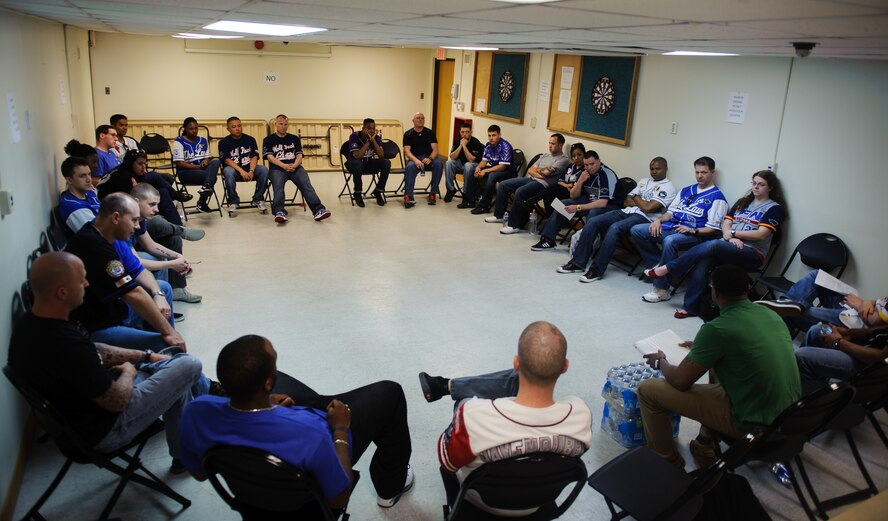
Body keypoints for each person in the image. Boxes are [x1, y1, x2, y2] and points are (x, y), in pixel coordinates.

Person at [8, 252, 208, 473]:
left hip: (87, 412)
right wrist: (128, 372)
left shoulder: (34, 324)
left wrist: (146, 356)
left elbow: (96, 350)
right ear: (62, 292)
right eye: (81, 280)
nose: (86, 284)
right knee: (189, 364)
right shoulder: (65, 344)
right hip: (108, 427)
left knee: (171, 369)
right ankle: (191, 443)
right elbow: (116, 401)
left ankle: (183, 456)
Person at [179, 334, 415, 510]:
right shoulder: (309, 435)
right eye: (275, 362)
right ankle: (390, 488)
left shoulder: (196, 412)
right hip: (326, 439)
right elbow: (339, 499)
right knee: (390, 393)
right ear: (266, 385)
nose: (276, 369)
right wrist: (341, 429)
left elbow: (200, 473)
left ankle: (322, 402)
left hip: (256, 497)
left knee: (311, 396)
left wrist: (266, 404)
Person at [637, 264, 801, 469]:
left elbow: (680, 381)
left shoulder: (717, 328)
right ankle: (705, 442)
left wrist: (661, 361)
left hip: (754, 424)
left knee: (647, 390)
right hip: (789, 417)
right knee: (716, 365)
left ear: (714, 292)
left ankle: (667, 462)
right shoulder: (769, 314)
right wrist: (703, 348)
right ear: (746, 289)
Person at [429, 321, 592, 515]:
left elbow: (448, 462)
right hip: (539, 503)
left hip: (482, 503)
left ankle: (446, 386)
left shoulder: (474, 416)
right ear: (565, 367)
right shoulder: (581, 416)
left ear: (516, 364)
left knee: (460, 409)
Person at [646, 170, 786, 318]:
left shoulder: (774, 208)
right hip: (729, 245)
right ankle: (689, 307)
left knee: (713, 244)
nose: (756, 187)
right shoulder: (743, 202)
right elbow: (726, 224)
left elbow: (761, 234)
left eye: (761, 185)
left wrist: (733, 234)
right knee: (703, 261)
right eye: (754, 183)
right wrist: (729, 236)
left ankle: (669, 267)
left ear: (770, 188)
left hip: (752, 253)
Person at [65, 193, 186, 351]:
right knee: (170, 344)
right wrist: (169, 332)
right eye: (134, 220)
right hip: (99, 326)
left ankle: (159, 356)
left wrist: (158, 294)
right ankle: (164, 356)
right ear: (116, 218)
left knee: (163, 288)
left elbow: (139, 270)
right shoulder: (94, 245)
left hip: (114, 309)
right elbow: (132, 293)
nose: (137, 226)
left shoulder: (111, 237)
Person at [556, 156, 676, 284]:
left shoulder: (668, 188)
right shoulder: (644, 181)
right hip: (626, 211)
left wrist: (636, 198)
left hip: (644, 218)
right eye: (652, 168)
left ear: (666, 169)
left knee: (615, 228)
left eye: (658, 169)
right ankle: (577, 263)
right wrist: (640, 202)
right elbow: (626, 201)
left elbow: (649, 208)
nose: (654, 171)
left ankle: (596, 270)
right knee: (594, 221)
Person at [629, 156, 728, 303]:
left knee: (670, 241)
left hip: (695, 235)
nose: (700, 176)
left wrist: (693, 230)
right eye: (697, 172)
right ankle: (659, 264)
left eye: (704, 172)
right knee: (637, 230)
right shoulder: (686, 190)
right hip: (672, 227)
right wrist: (658, 220)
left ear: (712, 173)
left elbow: (712, 230)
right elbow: (670, 213)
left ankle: (661, 289)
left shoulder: (717, 198)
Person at [531, 150, 620, 251]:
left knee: (593, 212)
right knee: (564, 204)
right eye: (586, 165)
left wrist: (578, 207)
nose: (589, 167)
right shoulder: (585, 173)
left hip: (609, 206)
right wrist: (580, 181)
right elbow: (573, 196)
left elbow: (603, 202)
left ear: (599, 161)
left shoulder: (607, 174)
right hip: (590, 200)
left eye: (592, 164)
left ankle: (585, 247)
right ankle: (548, 240)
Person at [130, 183, 202, 304]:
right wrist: (171, 264)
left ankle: (170, 295)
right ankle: (161, 303)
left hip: (128, 259)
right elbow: (134, 262)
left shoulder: (139, 219)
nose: (157, 209)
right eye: (152, 204)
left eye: (157, 204)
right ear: (136, 202)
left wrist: (177, 256)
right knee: (161, 260)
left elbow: (150, 245)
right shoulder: (125, 221)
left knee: (173, 241)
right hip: (114, 266)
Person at [756, 270, 888, 333]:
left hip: (856, 324)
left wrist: (860, 304)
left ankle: (787, 305)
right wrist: (868, 302)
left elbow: (875, 321)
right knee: (816, 276)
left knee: (794, 313)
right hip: (857, 310)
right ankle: (788, 304)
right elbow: (879, 303)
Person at [490, 133, 569, 234]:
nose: (550, 146)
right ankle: (498, 215)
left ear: (561, 145)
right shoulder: (544, 156)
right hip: (532, 179)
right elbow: (531, 170)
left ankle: (514, 225)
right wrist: (541, 174)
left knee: (520, 192)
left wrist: (540, 172)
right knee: (504, 184)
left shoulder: (563, 159)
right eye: (549, 143)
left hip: (543, 185)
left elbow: (547, 172)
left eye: (553, 144)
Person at [262, 114, 331, 223]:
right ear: (276, 124)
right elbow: (270, 157)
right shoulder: (268, 139)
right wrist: (284, 166)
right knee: (278, 186)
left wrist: (295, 165)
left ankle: (318, 210)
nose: (283, 126)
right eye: (281, 124)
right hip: (277, 168)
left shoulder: (294, 138)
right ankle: (279, 212)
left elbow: (299, 155)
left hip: (295, 167)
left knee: (306, 184)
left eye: (285, 124)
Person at [98, 149, 188, 226]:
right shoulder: (124, 176)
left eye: (145, 163)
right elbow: (133, 200)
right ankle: (177, 221)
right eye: (140, 164)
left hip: (124, 199)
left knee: (163, 192)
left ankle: (178, 225)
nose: (144, 167)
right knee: (155, 180)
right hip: (112, 206)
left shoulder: (130, 171)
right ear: (130, 163)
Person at [795, 323, 888, 381]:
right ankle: (807, 376)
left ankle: (800, 393)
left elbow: (878, 358)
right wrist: (848, 332)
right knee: (815, 331)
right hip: (866, 346)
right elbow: (881, 329)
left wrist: (838, 342)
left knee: (802, 355)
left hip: (871, 366)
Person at [218, 116, 270, 216]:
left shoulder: (250, 139)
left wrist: (251, 171)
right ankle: (233, 201)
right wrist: (241, 171)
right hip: (234, 170)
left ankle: (258, 199)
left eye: (239, 126)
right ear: (228, 129)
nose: (237, 128)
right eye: (234, 127)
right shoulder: (223, 142)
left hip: (249, 169)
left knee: (264, 170)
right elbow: (227, 160)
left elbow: (254, 157)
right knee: (228, 171)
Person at [173, 117, 220, 214]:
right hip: (185, 173)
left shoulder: (203, 140)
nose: (194, 131)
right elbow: (180, 163)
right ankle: (202, 202)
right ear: (185, 129)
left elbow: (207, 157)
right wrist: (198, 167)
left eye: (196, 128)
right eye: (191, 129)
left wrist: (205, 161)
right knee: (212, 178)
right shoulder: (178, 142)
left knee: (215, 161)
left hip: (202, 169)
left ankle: (206, 187)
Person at [466, 125, 515, 212]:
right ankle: (470, 201)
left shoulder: (505, 146)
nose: (491, 138)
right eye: (489, 135)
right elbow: (484, 161)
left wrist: (485, 170)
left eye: (494, 135)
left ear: (499, 135)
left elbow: (502, 166)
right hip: (495, 169)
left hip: (508, 172)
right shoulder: (488, 145)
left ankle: (484, 206)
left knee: (492, 175)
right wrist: (478, 167)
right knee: (473, 170)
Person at [345, 118, 390, 207]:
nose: (372, 131)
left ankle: (378, 191)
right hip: (353, 163)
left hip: (368, 163)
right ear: (363, 128)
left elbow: (381, 155)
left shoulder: (376, 137)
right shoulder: (354, 136)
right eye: (369, 128)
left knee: (386, 162)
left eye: (374, 128)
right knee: (358, 163)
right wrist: (368, 141)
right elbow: (357, 156)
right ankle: (357, 193)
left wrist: (373, 140)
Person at [402, 112, 443, 207]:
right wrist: (416, 160)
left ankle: (433, 193)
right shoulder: (408, 134)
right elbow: (407, 151)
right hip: (414, 158)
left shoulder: (430, 133)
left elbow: (435, 150)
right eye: (418, 118)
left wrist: (430, 158)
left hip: (427, 158)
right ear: (413, 120)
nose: (420, 119)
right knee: (410, 167)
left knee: (438, 164)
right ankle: (409, 196)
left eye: (422, 118)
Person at [57, 156, 101, 235]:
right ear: (69, 180)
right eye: (82, 176)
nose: (89, 180)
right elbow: (99, 235)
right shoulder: (73, 207)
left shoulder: (89, 193)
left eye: (89, 174)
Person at [443, 123, 484, 203]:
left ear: (471, 132)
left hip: (473, 166)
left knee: (467, 165)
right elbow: (452, 157)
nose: (464, 134)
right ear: (460, 132)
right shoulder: (458, 141)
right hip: (460, 164)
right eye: (462, 132)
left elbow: (472, 160)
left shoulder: (475, 142)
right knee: (449, 163)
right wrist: (460, 146)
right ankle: (450, 190)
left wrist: (464, 146)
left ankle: (466, 193)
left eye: (467, 132)